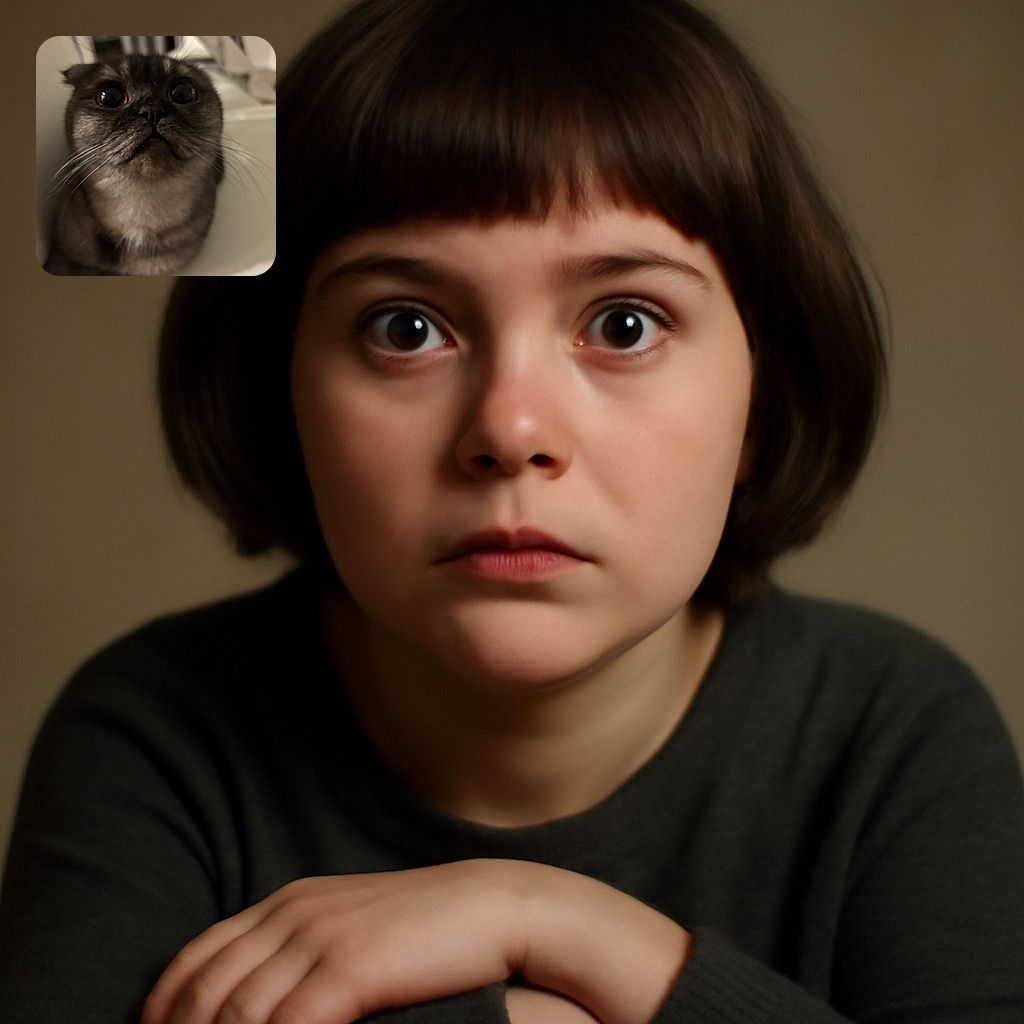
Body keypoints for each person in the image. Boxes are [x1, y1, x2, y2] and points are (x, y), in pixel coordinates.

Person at [2, 1, 1022, 1022]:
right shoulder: (153, 732)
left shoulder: (896, 734)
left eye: (623, 323)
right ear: (278, 393)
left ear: (765, 395)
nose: (510, 428)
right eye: (404, 327)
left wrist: (554, 923)